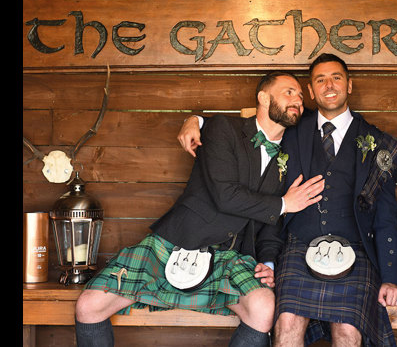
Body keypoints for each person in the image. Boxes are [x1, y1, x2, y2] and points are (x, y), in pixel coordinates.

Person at [74, 71, 326, 347]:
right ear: (263, 98)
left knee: (264, 308)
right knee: (88, 305)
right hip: (177, 241)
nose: (298, 100)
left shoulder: (291, 155)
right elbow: (224, 195)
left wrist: (267, 263)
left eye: (301, 96)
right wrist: (284, 203)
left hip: (232, 254)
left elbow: (272, 222)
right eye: (289, 92)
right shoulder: (222, 128)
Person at [178, 54, 397, 346]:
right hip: (297, 247)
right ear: (311, 91)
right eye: (320, 80)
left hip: (355, 251)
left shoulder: (377, 141)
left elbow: (386, 214)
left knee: (348, 330)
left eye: (336, 77)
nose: (329, 85)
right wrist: (196, 121)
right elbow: (248, 130)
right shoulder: (292, 126)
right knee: (286, 323)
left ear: (349, 85)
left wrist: (391, 276)